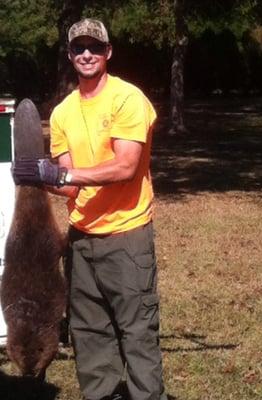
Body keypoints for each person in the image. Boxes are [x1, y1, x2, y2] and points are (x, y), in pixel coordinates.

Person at [12, 18, 167, 400]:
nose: (86, 54)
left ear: (107, 52)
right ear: (69, 55)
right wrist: (36, 175)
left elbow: (126, 166)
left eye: (94, 47)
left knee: (137, 334)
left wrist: (64, 176)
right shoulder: (63, 112)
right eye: (78, 48)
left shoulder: (128, 99)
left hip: (126, 237)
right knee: (89, 335)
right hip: (80, 241)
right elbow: (68, 178)